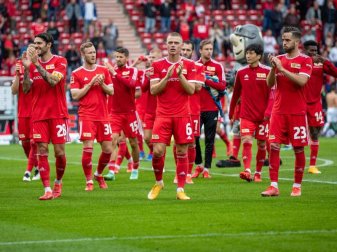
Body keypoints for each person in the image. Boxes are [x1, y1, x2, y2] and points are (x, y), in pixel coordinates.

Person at [262, 26, 312, 197]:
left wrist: (282, 69)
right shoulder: (279, 59)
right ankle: (273, 186)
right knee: (273, 145)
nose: (284, 42)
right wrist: (273, 68)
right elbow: (269, 84)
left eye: (288, 40)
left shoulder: (306, 60)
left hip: (297, 112)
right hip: (278, 111)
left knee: (298, 149)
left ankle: (297, 186)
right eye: (283, 39)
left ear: (297, 42)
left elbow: (302, 82)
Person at [147, 32, 196, 200]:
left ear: (181, 45)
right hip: (162, 115)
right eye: (170, 42)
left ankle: (180, 189)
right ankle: (158, 182)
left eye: (176, 42)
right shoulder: (157, 65)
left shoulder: (190, 65)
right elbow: (153, 90)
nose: (173, 45)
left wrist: (180, 75)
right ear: (166, 45)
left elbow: (191, 90)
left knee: (182, 151)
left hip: (183, 115)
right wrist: (167, 76)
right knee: (158, 151)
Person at [22, 32, 69, 200]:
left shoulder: (60, 61)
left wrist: (35, 64)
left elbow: (52, 81)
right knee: (42, 150)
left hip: (58, 114)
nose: (36, 46)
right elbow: (26, 89)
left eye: (39, 43)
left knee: (59, 153)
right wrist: (27, 69)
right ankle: (47, 189)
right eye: (34, 43)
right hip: (38, 115)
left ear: (49, 45)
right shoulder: (31, 64)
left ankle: (58, 182)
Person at [70, 42, 114, 191]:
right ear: (83, 55)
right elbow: (75, 95)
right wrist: (89, 84)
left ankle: (98, 174)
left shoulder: (103, 71)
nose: (93, 55)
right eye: (89, 53)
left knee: (108, 149)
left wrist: (101, 84)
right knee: (88, 147)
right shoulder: (76, 73)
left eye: (94, 52)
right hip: (87, 115)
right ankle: (89, 180)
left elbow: (111, 91)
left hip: (103, 115)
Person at [229, 44, 271, 183]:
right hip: (246, 115)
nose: (248, 55)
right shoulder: (241, 72)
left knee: (262, 144)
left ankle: (258, 172)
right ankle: (247, 170)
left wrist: (269, 112)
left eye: (251, 53)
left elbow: (273, 94)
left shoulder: (267, 71)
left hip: (263, 116)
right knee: (246, 140)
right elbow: (235, 94)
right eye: (247, 53)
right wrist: (231, 112)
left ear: (259, 56)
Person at [104, 47, 141, 180]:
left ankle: (135, 168)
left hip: (130, 113)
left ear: (126, 58)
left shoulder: (132, 70)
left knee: (133, 143)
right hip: (115, 113)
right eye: (116, 57)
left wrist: (114, 73)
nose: (118, 59)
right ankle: (112, 171)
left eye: (120, 57)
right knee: (113, 140)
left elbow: (131, 85)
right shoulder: (110, 72)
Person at [192, 39, 226, 179]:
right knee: (194, 138)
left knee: (210, 140)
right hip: (195, 108)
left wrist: (205, 80)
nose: (209, 51)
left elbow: (223, 86)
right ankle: (198, 165)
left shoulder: (218, 66)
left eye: (211, 49)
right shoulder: (194, 65)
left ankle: (207, 168)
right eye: (206, 49)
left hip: (212, 107)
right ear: (200, 50)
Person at [303, 40, 337, 173]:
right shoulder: (300, 62)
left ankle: (312, 166)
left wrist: (325, 60)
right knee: (294, 133)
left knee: (315, 133)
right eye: (311, 50)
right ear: (305, 50)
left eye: (315, 51)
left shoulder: (320, 63)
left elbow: (335, 73)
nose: (313, 53)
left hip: (315, 103)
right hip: (299, 102)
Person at [173, 40, 203, 184]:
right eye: (183, 49)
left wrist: (181, 76)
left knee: (191, 143)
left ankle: (189, 173)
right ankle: (178, 172)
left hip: (193, 110)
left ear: (192, 51)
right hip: (177, 109)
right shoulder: (172, 65)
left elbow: (197, 88)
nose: (185, 52)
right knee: (177, 143)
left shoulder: (197, 66)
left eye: (188, 50)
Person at [11, 56, 39, 182]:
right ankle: (38, 167)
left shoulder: (37, 66)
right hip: (23, 112)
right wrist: (17, 75)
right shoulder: (19, 66)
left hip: (36, 111)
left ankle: (28, 172)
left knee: (34, 142)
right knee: (25, 143)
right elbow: (14, 91)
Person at [140, 48, 163, 161]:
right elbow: (143, 89)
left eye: (153, 57)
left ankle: (158, 158)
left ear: (159, 58)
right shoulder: (147, 72)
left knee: (159, 139)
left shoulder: (164, 70)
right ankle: (155, 153)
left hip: (161, 110)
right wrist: (148, 78)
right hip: (149, 110)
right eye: (150, 57)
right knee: (147, 138)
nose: (151, 59)